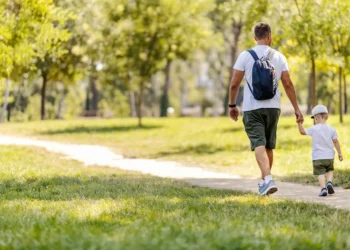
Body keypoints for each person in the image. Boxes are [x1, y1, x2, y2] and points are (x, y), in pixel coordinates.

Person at [228, 22, 304, 196]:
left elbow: (234, 84)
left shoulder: (245, 56)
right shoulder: (279, 57)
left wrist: (232, 105)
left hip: (252, 108)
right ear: (270, 36)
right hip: (273, 107)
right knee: (268, 145)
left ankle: (268, 178)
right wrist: (296, 109)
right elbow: (288, 84)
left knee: (258, 143)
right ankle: (264, 183)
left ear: (255, 38)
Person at [297, 105, 343, 196]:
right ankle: (329, 182)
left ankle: (323, 188)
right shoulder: (331, 129)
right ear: (327, 117)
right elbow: (335, 141)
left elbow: (302, 132)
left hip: (318, 157)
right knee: (330, 170)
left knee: (320, 173)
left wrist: (299, 123)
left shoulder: (314, 128)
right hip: (329, 156)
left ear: (316, 117)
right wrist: (340, 153)